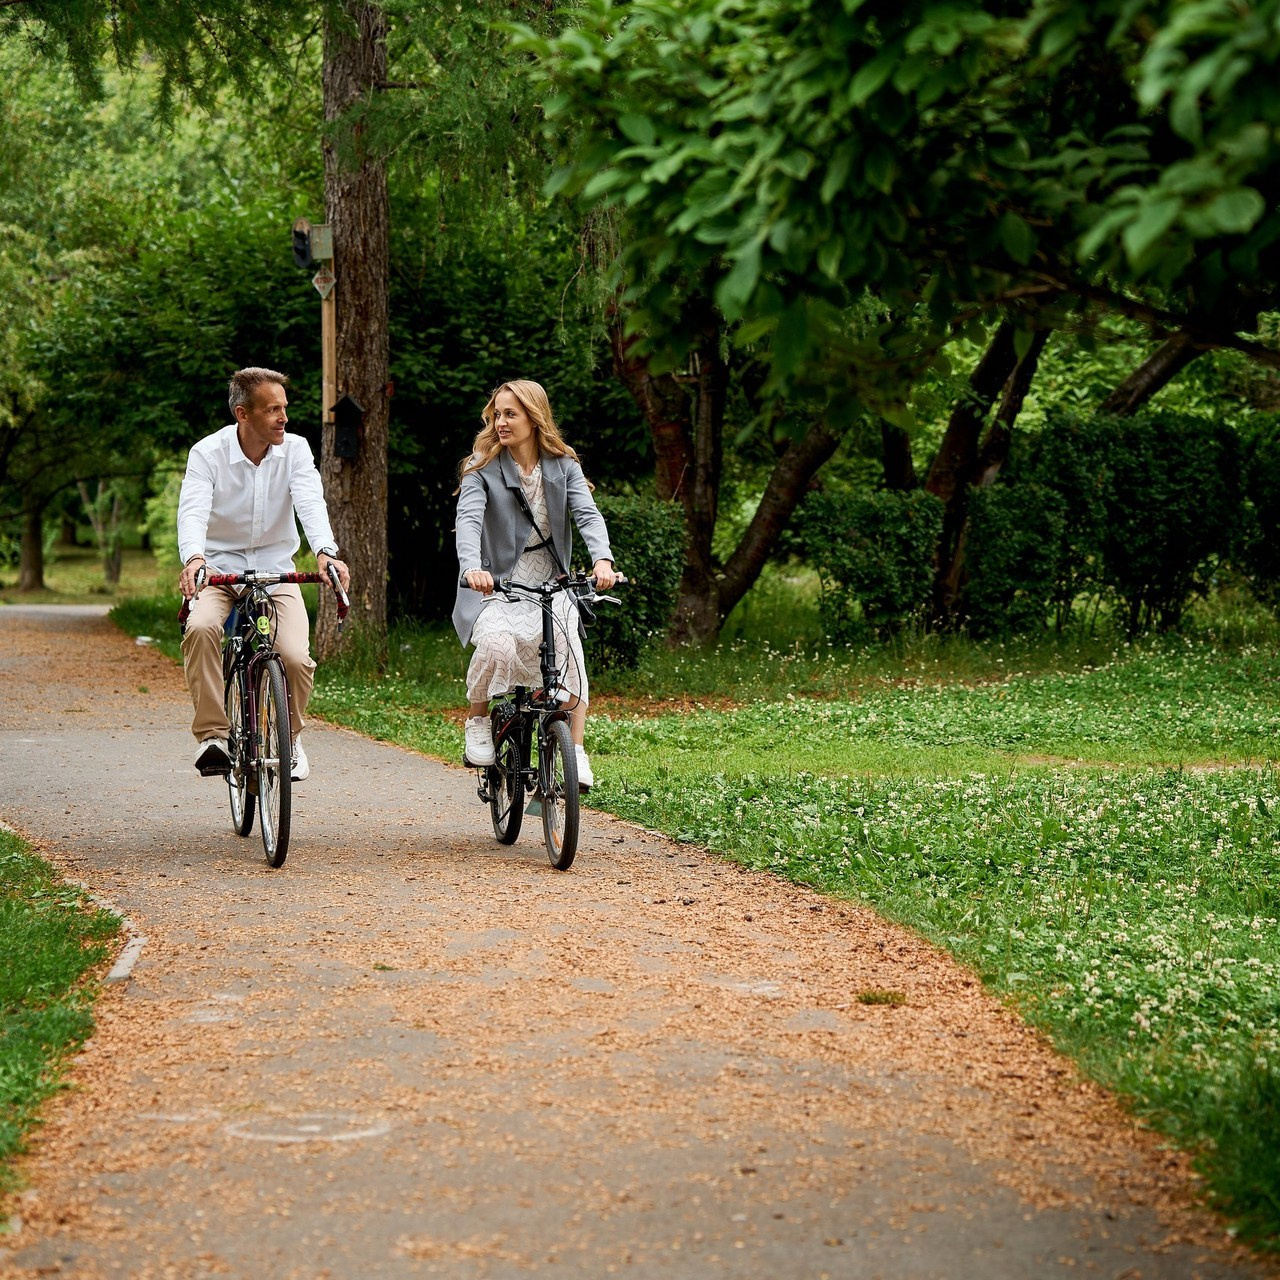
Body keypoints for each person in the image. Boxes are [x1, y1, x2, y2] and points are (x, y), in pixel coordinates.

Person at [177, 367, 351, 781]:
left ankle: (289, 739)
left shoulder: (296, 450)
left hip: (276, 572)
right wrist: (195, 559)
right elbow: (193, 510)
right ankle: (213, 736)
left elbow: (310, 501)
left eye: (284, 408)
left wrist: (326, 552)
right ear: (243, 414)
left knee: (293, 656)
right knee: (201, 628)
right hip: (219, 570)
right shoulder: (207, 453)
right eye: (273, 409)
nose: (283, 417)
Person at [453, 379, 616, 788]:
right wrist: (472, 567)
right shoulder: (482, 467)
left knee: (570, 657)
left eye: (511, 413)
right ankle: (477, 719)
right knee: (496, 644)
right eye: (497, 414)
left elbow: (588, 515)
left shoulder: (564, 465)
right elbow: (468, 521)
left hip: (551, 583)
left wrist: (602, 559)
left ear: (533, 417)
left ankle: (574, 751)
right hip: (497, 585)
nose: (501, 422)